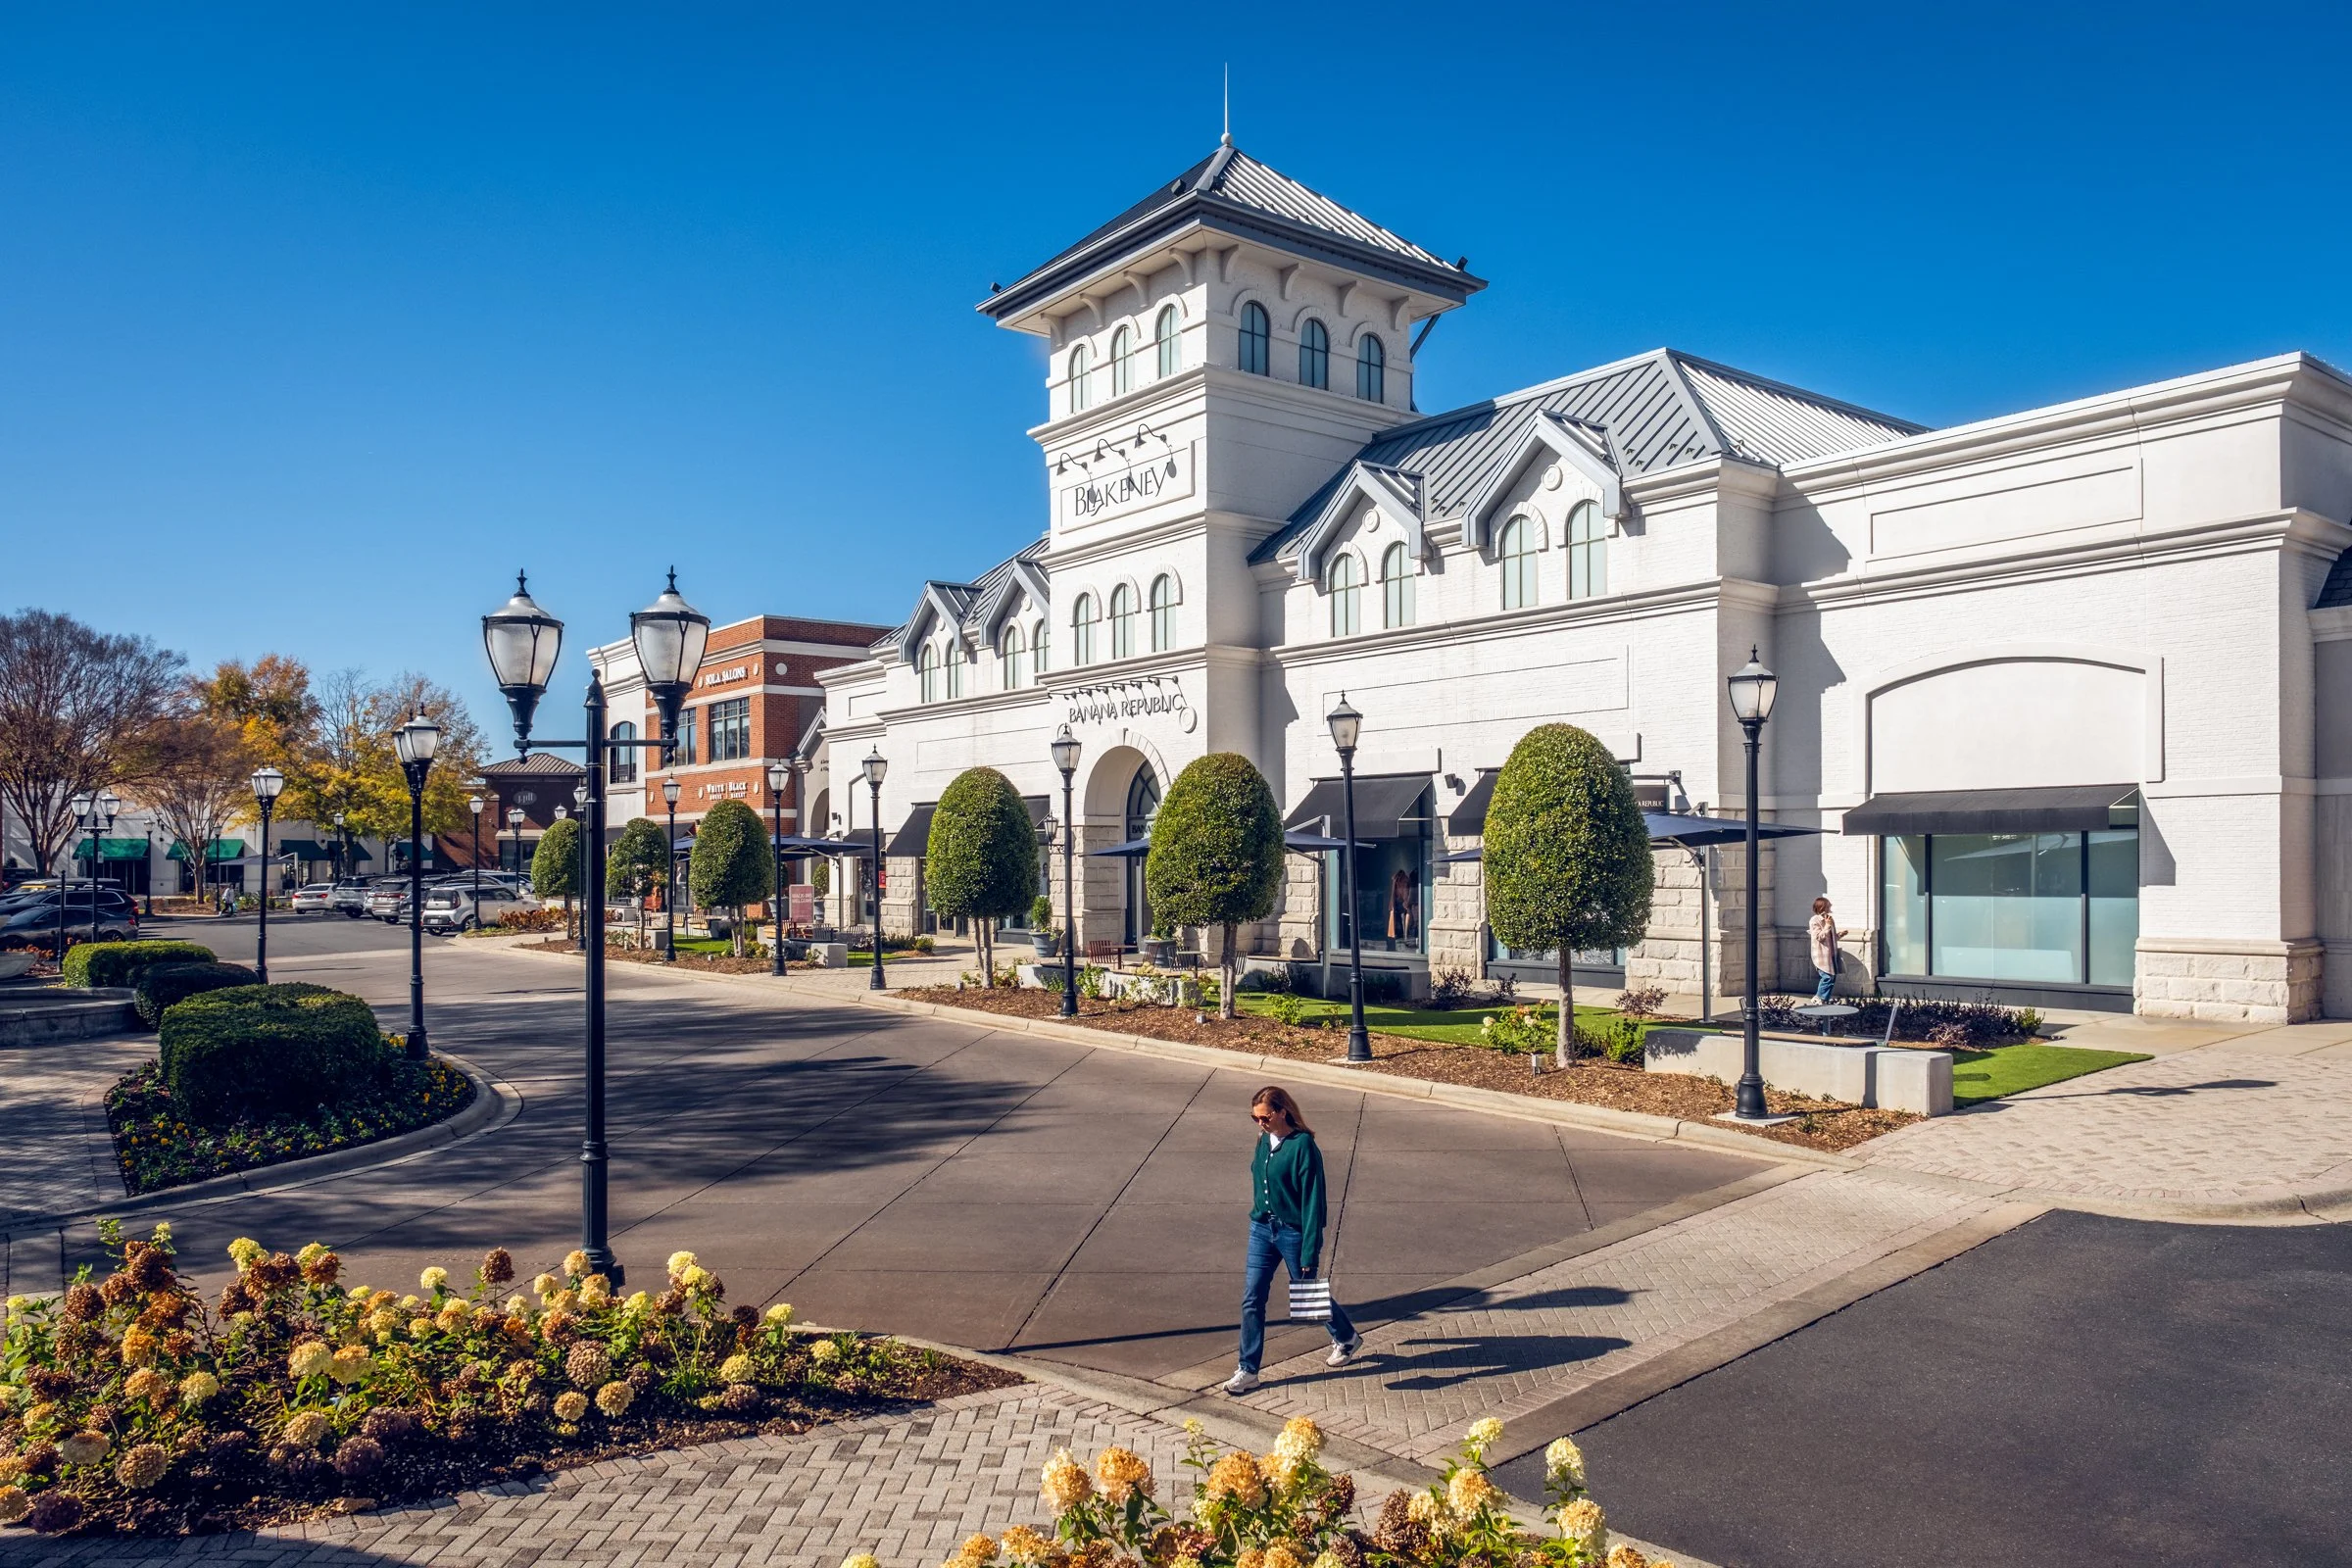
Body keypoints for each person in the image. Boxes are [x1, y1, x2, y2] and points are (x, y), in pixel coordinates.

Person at [1225, 1086, 1360, 1395]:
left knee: (1307, 1294)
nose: (1260, 1124)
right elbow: (1261, 1179)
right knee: (1252, 1297)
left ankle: (1347, 1337)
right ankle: (1248, 1370)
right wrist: (1260, 1209)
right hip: (1261, 1229)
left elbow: (1314, 1203)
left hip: (1293, 1232)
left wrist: (1309, 1251)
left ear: (1283, 1111)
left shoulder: (1303, 1147)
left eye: (1265, 1118)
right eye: (1255, 1119)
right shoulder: (1263, 1141)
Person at [1809, 896, 1839, 1004]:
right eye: (1828, 904)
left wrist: (1839, 935)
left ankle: (1824, 999)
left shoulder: (1829, 919)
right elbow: (1819, 937)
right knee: (1827, 977)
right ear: (1822, 907)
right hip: (1821, 954)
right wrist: (1827, 925)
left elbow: (1831, 937)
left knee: (1832, 977)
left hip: (1831, 953)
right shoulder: (1815, 920)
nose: (1830, 906)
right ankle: (1818, 997)